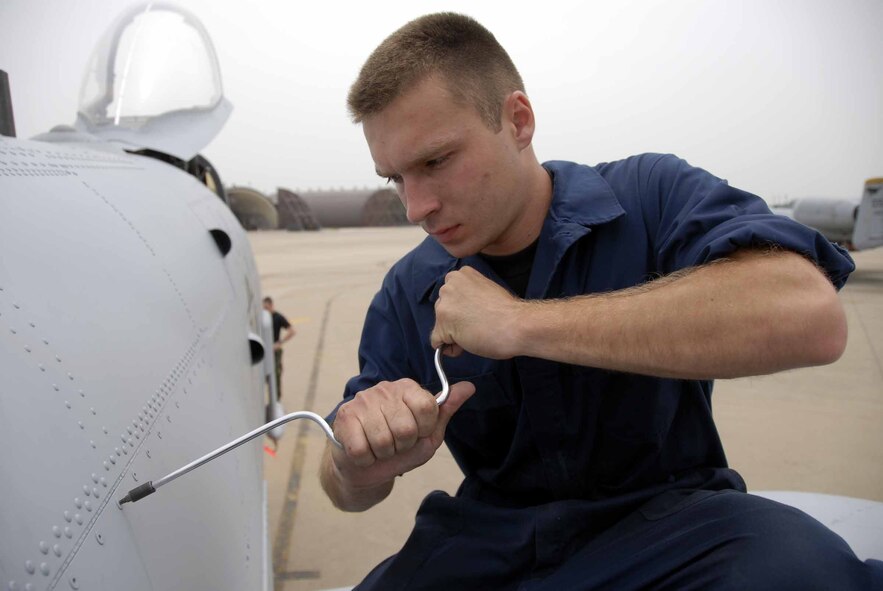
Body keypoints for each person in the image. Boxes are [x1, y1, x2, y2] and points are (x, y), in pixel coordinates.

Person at [319, 12, 882, 590]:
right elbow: (342, 488)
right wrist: (357, 463)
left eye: (435, 162)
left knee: (806, 570)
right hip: (487, 549)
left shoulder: (649, 195)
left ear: (518, 120)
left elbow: (808, 316)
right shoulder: (408, 288)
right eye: (395, 178)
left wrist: (520, 324)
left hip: (675, 531)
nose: (416, 207)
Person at [263, 296, 295, 399]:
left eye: (267, 308)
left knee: (276, 375)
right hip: (265, 352)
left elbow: (292, 331)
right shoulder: (263, 319)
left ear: (272, 305)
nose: (265, 310)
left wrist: (279, 343)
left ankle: (276, 399)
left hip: (275, 351)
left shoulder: (278, 317)